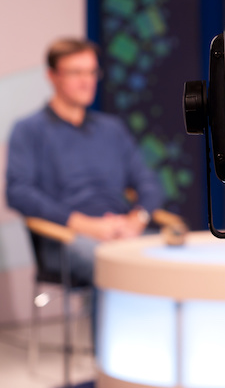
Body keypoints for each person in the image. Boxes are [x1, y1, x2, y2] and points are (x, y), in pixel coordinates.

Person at [6, 38, 164, 285]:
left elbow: (148, 182)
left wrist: (137, 220)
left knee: (176, 259)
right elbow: (18, 191)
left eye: (92, 72)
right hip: (65, 237)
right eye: (76, 72)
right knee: (117, 266)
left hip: (122, 231)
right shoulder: (29, 130)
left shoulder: (112, 129)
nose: (87, 81)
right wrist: (83, 224)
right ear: (52, 76)